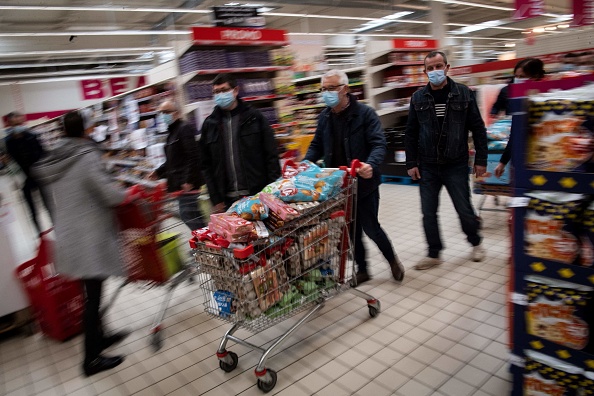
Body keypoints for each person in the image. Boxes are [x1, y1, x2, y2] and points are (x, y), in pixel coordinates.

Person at [31, 110, 130, 377]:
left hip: (69, 235)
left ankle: (102, 337)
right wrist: (125, 192)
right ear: (85, 130)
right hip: (89, 237)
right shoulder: (85, 156)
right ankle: (91, 360)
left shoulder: (55, 157)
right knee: (93, 298)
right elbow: (110, 195)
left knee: (91, 293)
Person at [304, 69, 405, 284]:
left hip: (364, 183)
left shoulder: (365, 114)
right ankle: (363, 269)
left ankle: (392, 260)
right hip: (338, 185)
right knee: (351, 230)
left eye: (331, 88)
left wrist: (371, 164)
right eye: (323, 89)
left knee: (371, 227)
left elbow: (379, 143)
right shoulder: (324, 117)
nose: (326, 93)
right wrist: (305, 163)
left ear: (345, 89)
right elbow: (316, 145)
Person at [405, 50, 488, 270]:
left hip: (456, 163)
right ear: (424, 72)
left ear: (447, 68)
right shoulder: (418, 97)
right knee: (428, 212)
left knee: (464, 208)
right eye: (430, 68)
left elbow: (478, 128)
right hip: (428, 165)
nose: (435, 71)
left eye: (438, 66)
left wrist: (481, 159)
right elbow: (411, 132)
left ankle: (476, 242)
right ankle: (434, 253)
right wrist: (411, 162)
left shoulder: (464, 93)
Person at [200, 73, 281, 212]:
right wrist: (215, 199)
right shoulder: (209, 124)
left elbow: (271, 154)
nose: (220, 95)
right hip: (226, 200)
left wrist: (271, 190)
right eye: (216, 92)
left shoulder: (255, 118)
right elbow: (206, 165)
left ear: (235, 90)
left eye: (224, 90)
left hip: (257, 194)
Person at [151, 100, 205, 232]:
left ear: (177, 113)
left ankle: (208, 244)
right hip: (181, 184)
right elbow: (172, 161)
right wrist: (158, 172)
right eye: (162, 112)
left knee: (190, 216)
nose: (163, 115)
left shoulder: (183, 129)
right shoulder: (172, 132)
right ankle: (205, 245)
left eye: (166, 112)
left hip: (187, 185)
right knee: (191, 216)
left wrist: (189, 180)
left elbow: (193, 155)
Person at [493, 58, 545, 178]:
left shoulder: (548, 100)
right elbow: (515, 135)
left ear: (536, 76)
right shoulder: (519, 101)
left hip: (545, 160)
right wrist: (502, 162)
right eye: (516, 76)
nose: (518, 80)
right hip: (524, 162)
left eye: (522, 76)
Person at [4, 111, 50, 233]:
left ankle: (56, 225)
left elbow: (43, 153)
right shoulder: (7, 142)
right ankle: (39, 234)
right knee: (31, 209)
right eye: (15, 124)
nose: (19, 126)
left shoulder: (32, 136)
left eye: (20, 123)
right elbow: (8, 162)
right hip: (23, 179)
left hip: (39, 176)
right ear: (10, 125)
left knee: (47, 204)